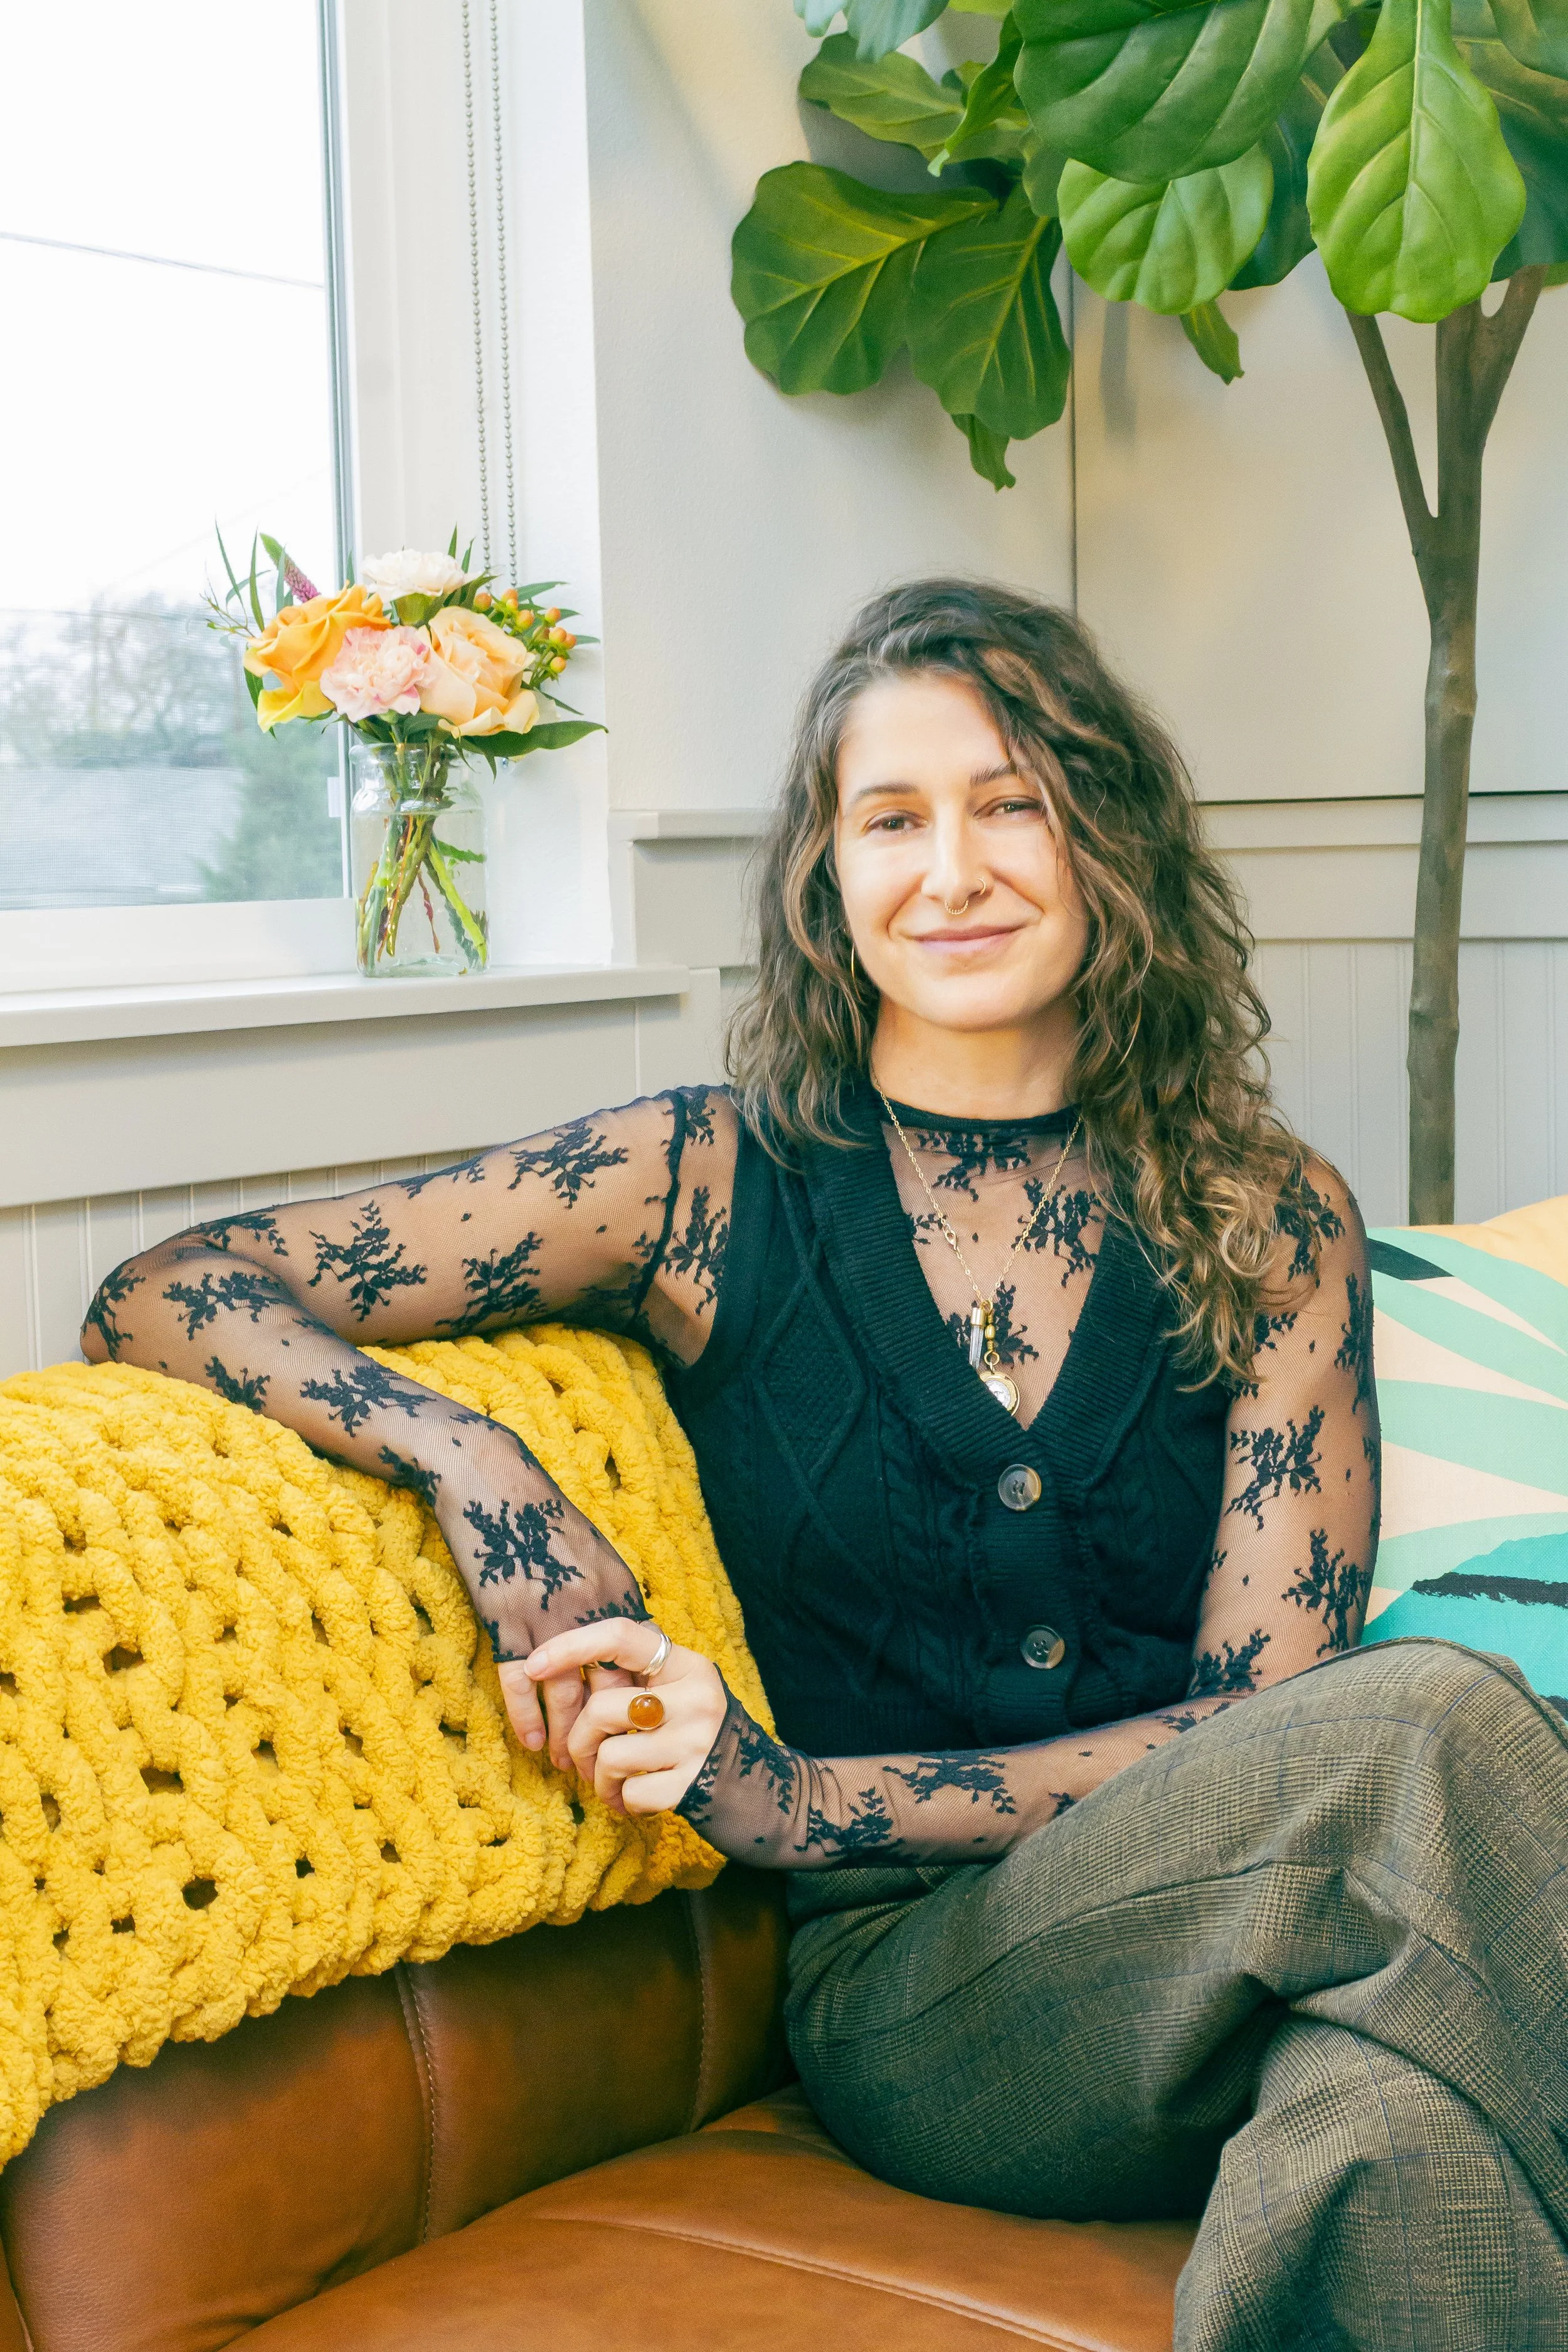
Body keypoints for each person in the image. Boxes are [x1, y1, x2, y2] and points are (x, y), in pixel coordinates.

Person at [86, 581, 1568, 2348]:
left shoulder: (1262, 1213)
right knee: (1449, 1712)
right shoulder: (702, 1185)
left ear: (1110, 840)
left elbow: (1270, 1738)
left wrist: (792, 1796)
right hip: (928, 2001)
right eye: (893, 816)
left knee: (1395, 2125)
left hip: (1242, 1953)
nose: (954, 868)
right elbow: (172, 1285)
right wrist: (469, 1458)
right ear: (826, 872)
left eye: (1012, 800)